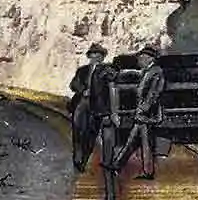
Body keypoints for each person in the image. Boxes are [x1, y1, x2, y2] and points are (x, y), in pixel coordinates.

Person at [110, 45, 165, 180]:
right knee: (132, 141)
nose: (139, 61)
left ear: (149, 58)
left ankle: (147, 172)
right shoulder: (147, 71)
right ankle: (117, 165)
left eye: (141, 58)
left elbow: (153, 93)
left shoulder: (156, 72)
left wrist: (143, 108)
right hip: (142, 115)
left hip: (148, 115)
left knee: (145, 144)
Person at [68, 42, 120, 172]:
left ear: (102, 57)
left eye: (98, 54)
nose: (95, 56)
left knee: (91, 134)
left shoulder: (105, 70)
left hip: (97, 106)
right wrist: (82, 90)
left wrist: (109, 72)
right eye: (93, 54)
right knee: (77, 131)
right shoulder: (82, 70)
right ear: (89, 56)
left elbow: (113, 77)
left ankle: (85, 159)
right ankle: (78, 158)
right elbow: (73, 84)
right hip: (82, 103)